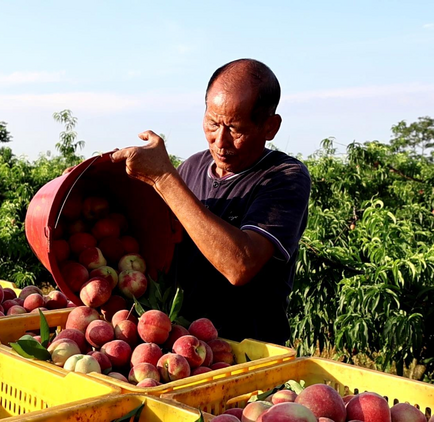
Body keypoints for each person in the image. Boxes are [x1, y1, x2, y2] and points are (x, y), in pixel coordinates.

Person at [110, 58, 311, 345]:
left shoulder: (284, 178)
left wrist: (164, 179)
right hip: (181, 347)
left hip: (246, 354)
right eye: (212, 123)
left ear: (270, 127)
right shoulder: (192, 168)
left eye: (235, 129)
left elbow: (240, 265)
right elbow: (156, 245)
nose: (220, 140)